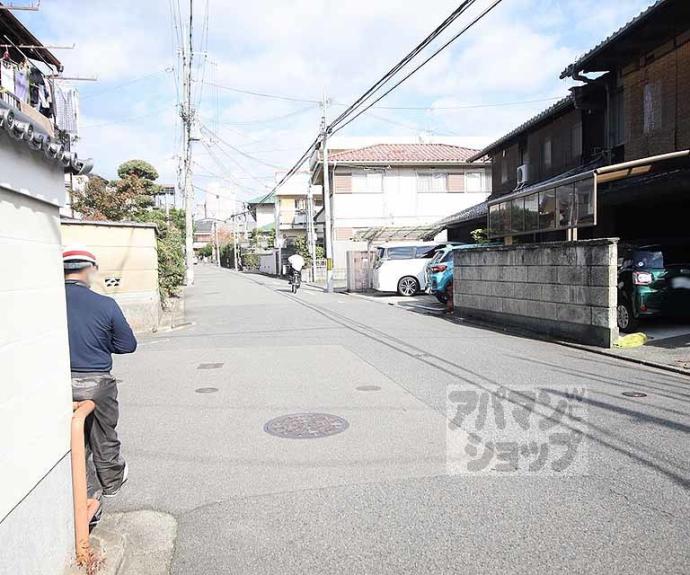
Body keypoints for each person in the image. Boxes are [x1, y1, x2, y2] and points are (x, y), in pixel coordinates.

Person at [63, 245, 137, 515]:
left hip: (59, 381)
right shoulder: (104, 304)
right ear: (89, 271)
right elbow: (127, 345)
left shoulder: (46, 302)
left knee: (69, 439)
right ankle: (111, 482)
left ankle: (72, 488)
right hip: (96, 381)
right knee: (103, 433)